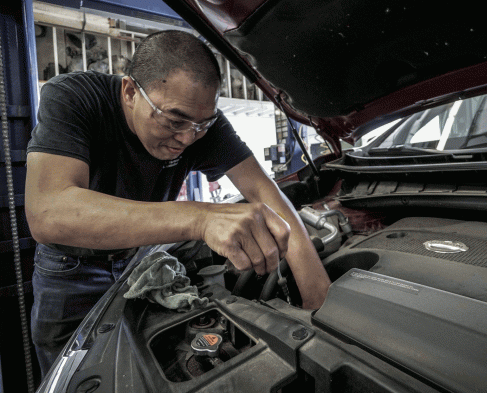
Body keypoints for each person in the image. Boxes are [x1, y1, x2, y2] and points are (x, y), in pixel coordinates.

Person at [25, 30, 331, 378]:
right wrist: (200, 219)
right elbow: (49, 212)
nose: (187, 138)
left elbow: (264, 192)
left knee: (145, 370)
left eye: (202, 124)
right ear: (129, 91)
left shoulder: (201, 125)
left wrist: (317, 298)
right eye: (174, 120)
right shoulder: (75, 97)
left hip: (142, 261)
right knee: (71, 375)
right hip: (71, 270)